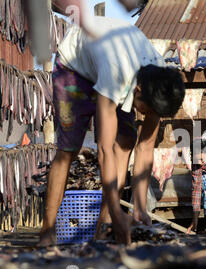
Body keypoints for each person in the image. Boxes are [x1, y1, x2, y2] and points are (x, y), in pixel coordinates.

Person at [38, 16, 185, 246]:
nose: (146, 116)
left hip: (111, 62)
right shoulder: (116, 73)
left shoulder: (161, 80)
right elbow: (104, 149)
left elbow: (145, 147)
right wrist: (120, 213)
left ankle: (104, 227)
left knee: (126, 139)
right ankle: (48, 229)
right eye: (146, 111)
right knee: (69, 149)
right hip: (74, 68)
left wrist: (139, 208)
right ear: (138, 91)